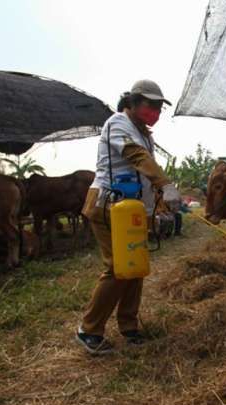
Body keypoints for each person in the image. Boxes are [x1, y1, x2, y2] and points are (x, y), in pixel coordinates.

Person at [77, 79, 181, 355]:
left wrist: (157, 209)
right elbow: (136, 158)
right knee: (117, 269)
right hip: (108, 205)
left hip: (132, 210)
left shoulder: (145, 133)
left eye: (159, 107)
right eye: (151, 105)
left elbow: (144, 175)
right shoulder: (117, 123)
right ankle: (89, 330)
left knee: (135, 266)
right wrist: (166, 184)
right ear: (133, 102)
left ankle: (129, 326)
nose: (155, 112)